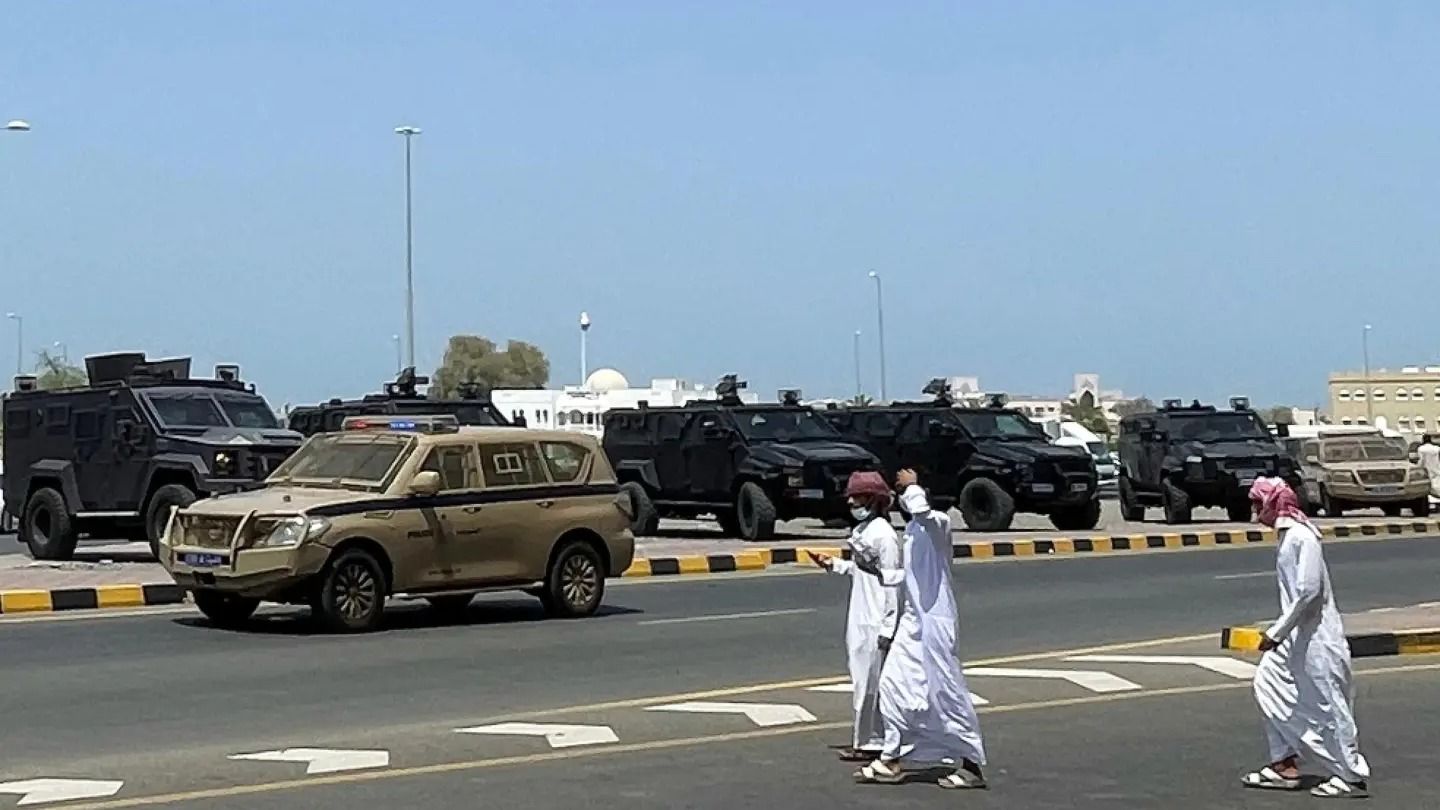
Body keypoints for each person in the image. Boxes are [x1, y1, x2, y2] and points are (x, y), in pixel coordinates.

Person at [853, 469, 987, 790]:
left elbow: (923, 513)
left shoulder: (937, 523)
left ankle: (970, 765)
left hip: (936, 624)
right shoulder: (912, 531)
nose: (901, 499)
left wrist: (912, 486)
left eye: (905, 494)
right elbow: (909, 579)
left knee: (946, 693)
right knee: (893, 686)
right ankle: (892, 758)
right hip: (914, 624)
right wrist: (861, 568)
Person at [1242, 476, 1370, 799]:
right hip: (1295, 640)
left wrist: (1275, 633)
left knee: (1330, 704)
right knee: (1267, 684)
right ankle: (1283, 763)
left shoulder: (1303, 538)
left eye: (1259, 503)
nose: (1255, 511)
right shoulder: (1287, 538)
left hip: (1317, 640)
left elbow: (1308, 592)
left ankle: (1350, 774)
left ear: (1273, 503)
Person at [810, 472, 900, 762]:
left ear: (874, 500)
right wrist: (834, 565)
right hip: (859, 616)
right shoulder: (863, 530)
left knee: (871, 681)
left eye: (857, 496)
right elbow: (862, 572)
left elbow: (893, 583)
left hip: (876, 619)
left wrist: (889, 626)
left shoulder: (884, 535)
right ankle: (868, 739)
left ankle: (875, 740)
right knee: (861, 679)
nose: (851, 501)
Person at [1417, 434, 1440, 501]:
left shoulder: (1421, 449)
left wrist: (1419, 467)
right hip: (1436, 466)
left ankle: (1431, 499)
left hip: (1426, 468)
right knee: (1437, 483)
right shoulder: (1437, 448)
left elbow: (1421, 460)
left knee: (1429, 484)